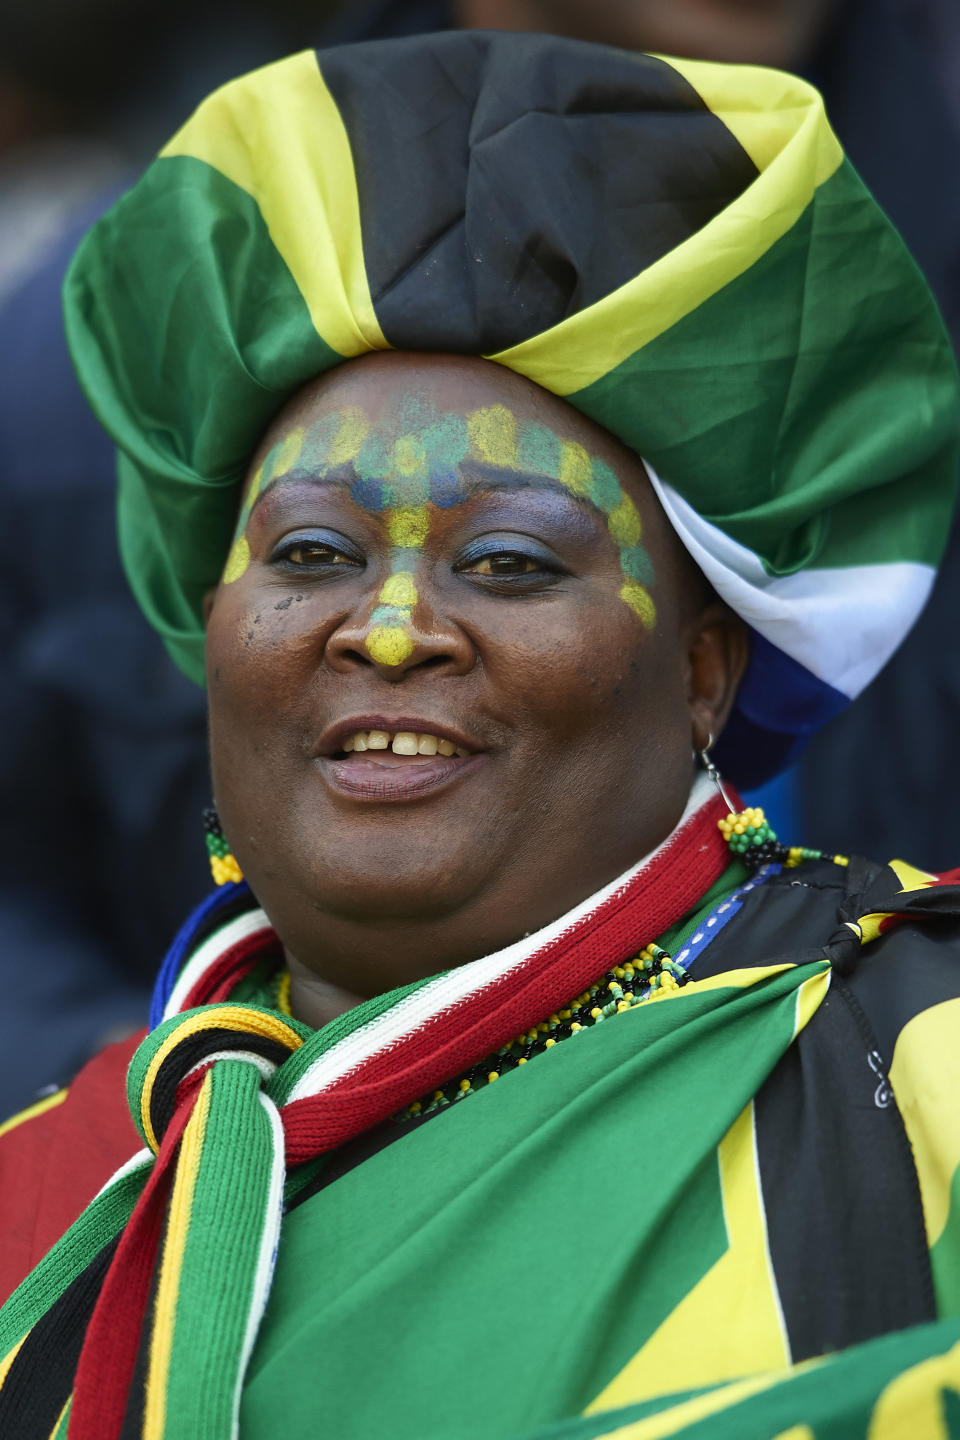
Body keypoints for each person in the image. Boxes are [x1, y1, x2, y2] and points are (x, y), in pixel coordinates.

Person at [1, 31, 959, 1440]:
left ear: (703, 672)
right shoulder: (50, 1178)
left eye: (510, 562)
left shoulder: (918, 1082)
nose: (389, 630)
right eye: (313, 552)